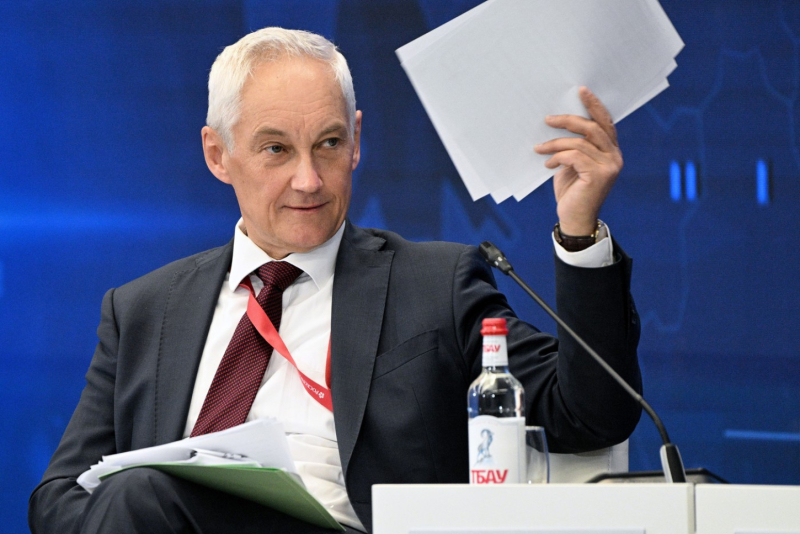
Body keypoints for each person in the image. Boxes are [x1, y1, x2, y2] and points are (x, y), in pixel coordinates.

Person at [29, 27, 641, 534]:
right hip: (159, 519)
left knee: (140, 496)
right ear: (218, 155)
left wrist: (579, 229)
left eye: (328, 143)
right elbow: (58, 497)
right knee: (138, 497)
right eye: (276, 150)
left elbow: (591, 415)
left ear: (356, 143)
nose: (309, 181)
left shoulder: (433, 284)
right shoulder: (142, 310)